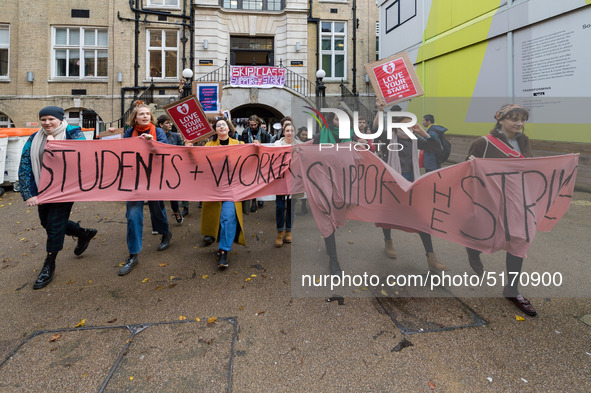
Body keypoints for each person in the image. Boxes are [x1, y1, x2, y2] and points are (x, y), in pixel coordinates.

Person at [465, 104, 537, 316]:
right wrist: (470, 164)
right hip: (491, 200)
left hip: (519, 199)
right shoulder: (482, 143)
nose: (519, 123)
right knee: (487, 234)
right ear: (501, 120)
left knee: (521, 239)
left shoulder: (524, 141)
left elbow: (531, 167)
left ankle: (512, 290)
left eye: (523, 119)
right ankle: (473, 249)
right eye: (514, 118)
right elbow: (466, 171)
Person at [18, 106, 98, 289]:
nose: (47, 123)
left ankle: (49, 264)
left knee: (54, 225)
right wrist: (28, 193)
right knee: (46, 222)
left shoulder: (73, 133)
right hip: (43, 189)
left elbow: (82, 154)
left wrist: (55, 145)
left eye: (51, 119)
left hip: (65, 189)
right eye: (43, 119)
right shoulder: (34, 138)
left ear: (60, 120)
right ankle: (82, 233)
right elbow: (25, 163)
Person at [373, 103, 448, 272]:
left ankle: (431, 256)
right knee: (388, 215)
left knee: (421, 219)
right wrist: (379, 110)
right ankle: (388, 241)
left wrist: (422, 131)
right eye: (406, 123)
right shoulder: (388, 135)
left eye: (411, 123)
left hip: (412, 182)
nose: (410, 126)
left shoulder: (415, 138)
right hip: (391, 182)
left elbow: (436, 148)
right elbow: (374, 129)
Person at [115, 102, 173, 276]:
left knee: (157, 208)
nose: (145, 116)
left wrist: (152, 142)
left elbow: (166, 151)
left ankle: (165, 233)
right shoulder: (128, 133)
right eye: (141, 114)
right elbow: (121, 150)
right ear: (135, 117)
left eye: (147, 114)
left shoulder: (158, 132)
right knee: (133, 216)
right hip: (135, 179)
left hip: (154, 178)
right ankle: (133, 255)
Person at [201, 118, 247, 268]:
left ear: (229, 129)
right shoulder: (208, 145)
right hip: (213, 188)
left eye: (224, 125)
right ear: (215, 130)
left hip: (232, 188)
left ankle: (223, 251)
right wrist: (188, 148)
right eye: (218, 125)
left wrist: (258, 146)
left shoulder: (240, 145)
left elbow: (252, 159)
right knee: (216, 217)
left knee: (228, 217)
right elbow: (197, 161)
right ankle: (216, 237)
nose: (221, 126)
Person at [273, 123, 299, 247]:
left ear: (295, 132)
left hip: (294, 181)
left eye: (292, 130)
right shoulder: (277, 145)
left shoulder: (299, 145)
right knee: (280, 207)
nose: (289, 133)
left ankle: (288, 231)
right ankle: (280, 232)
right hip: (281, 181)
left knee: (291, 207)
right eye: (287, 130)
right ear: (283, 132)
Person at [157, 114, 186, 224]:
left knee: (172, 193)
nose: (170, 124)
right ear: (160, 125)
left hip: (172, 168)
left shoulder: (175, 136)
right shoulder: (155, 136)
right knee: (158, 195)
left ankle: (176, 212)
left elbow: (181, 150)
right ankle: (159, 221)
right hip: (158, 168)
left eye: (170, 122)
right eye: (167, 123)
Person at [238, 115, 269, 212]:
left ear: (258, 124)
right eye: (251, 125)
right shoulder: (245, 132)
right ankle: (254, 202)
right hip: (249, 160)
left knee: (260, 180)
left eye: (254, 125)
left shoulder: (265, 133)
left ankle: (261, 198)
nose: (253, 127)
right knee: (252, 181)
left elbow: (268, 147)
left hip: (261, 159)